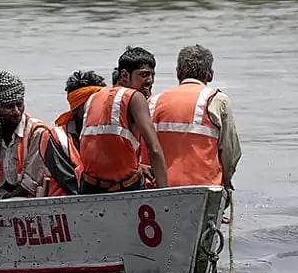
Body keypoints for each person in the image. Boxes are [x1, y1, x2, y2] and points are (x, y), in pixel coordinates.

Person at [0, 66, 81, 199]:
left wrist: (6, 200)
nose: (16, 111)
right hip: (9, 193)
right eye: (9, 107)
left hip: (30, 195)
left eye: (19, 105)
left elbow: (31, 183)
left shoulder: (37, 132)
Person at [149, 45, 241, 190]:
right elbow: (230, 151)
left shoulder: (153, 102)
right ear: (210, 75)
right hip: (204, 187)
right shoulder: (217, 100)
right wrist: (227, 181)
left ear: (178, 73)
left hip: (157, 189)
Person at [79, 46, 169, 193]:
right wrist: (165, 194)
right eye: (144, 75)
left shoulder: (93, 98)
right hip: (125, 188)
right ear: (125, 75)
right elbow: (154, 148)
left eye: (152, 75)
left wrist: (140, 166)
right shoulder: (135, 97)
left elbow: (102, 147)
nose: (150, 80)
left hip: (89, 187)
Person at [54, 70, 107, 149]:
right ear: (76, 108)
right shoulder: (60, 139)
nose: (98, 107)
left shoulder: (113, 130)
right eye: (92, 103)